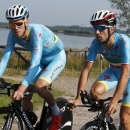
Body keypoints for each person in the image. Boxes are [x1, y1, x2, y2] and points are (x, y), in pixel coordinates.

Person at [0, 4, 66, 130]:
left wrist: (21, 88)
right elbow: (4, 60)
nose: (15, 28)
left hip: (56, 58)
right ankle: (29, 121)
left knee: (39, 87)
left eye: (19, 23)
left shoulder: (36, 32)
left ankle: (57, 113)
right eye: (11, 24)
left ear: (26, 21)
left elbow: (35, 61)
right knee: (25, 93)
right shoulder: (12, 35)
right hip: (41, 61)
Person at [69, 10, 130, 130]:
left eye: (101, 28)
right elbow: (86, 70)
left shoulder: (124, 42)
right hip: (113, 70)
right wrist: (77, 98)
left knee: (124, 117)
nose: (97, 32)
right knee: (95, 93)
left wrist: (114, 100)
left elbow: (125, 73)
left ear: (111, 29)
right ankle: (107, 122)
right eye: (95, 28)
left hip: (127, 74)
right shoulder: (96, 43)